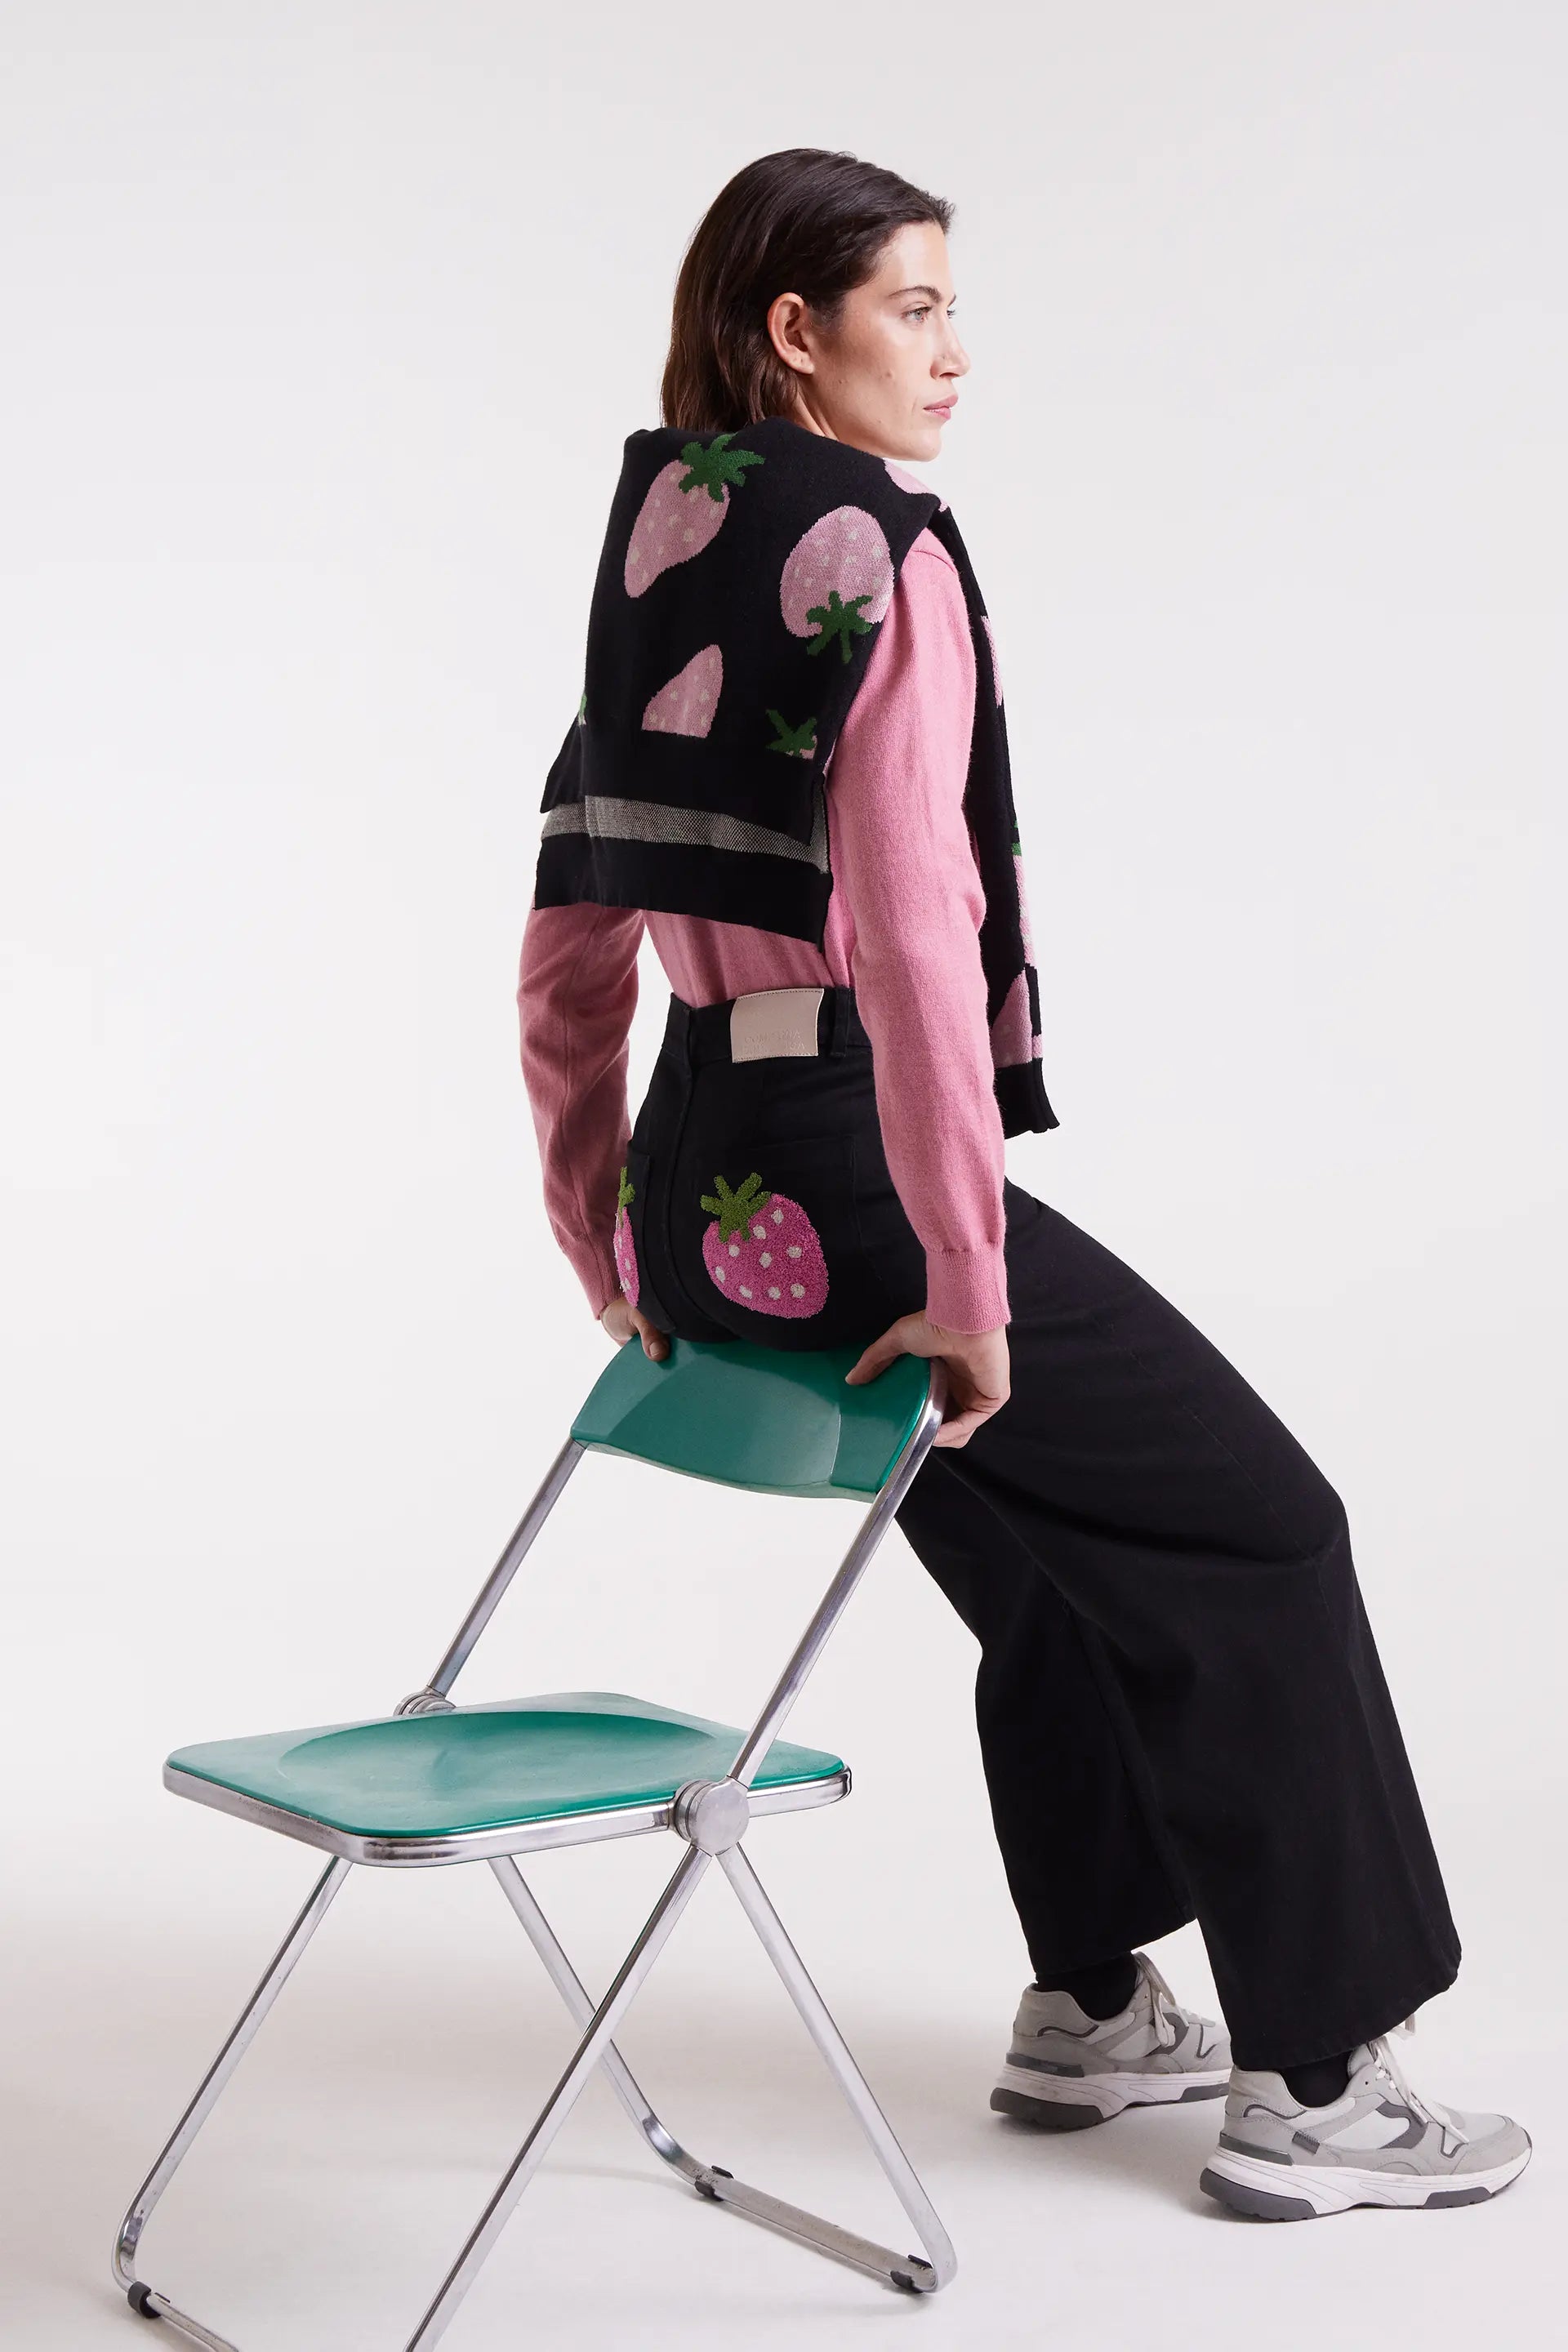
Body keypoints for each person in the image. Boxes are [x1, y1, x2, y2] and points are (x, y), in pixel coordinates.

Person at [517, 148, 1529, 2221]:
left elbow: (566, 937)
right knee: (1265, 1531)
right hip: (860, 1169)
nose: (956, 351)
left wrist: (602, 1215)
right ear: (794, 330)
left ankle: (1088, 2003)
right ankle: (1322, 2086)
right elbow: (915, 941)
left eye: (954, 307)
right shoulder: (885, 557)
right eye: (914, 308)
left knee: (1065, 1555)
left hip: (714, 1193)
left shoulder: (662, 542)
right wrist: (967, 1275)